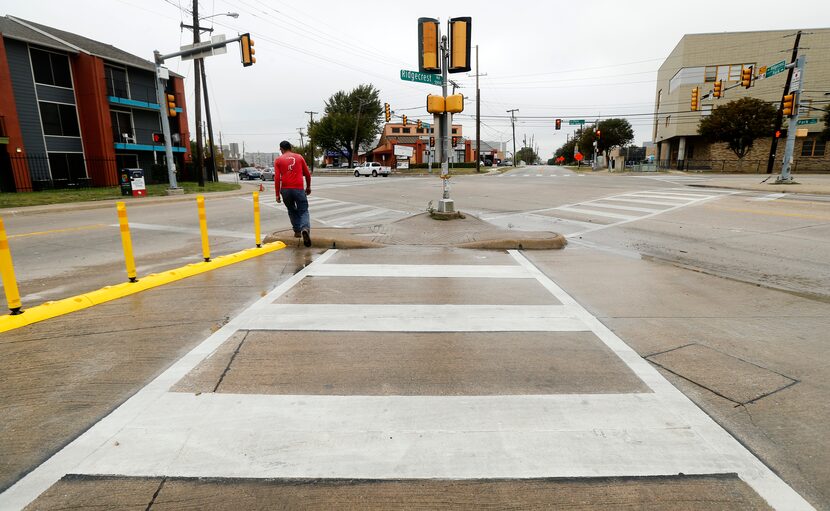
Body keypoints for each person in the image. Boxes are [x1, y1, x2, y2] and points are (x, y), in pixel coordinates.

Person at [274, 140, 312, 247]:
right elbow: (307, 174)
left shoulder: (278, 160)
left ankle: (297, 231)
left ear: (281, 149)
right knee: (303, 210)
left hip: (285, 190)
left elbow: (277, 178)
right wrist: (308, 186)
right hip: (298, 188)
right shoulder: (299, 157)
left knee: (291, 210)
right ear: (290, 147)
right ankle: (304, 228)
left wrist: (277, 194)